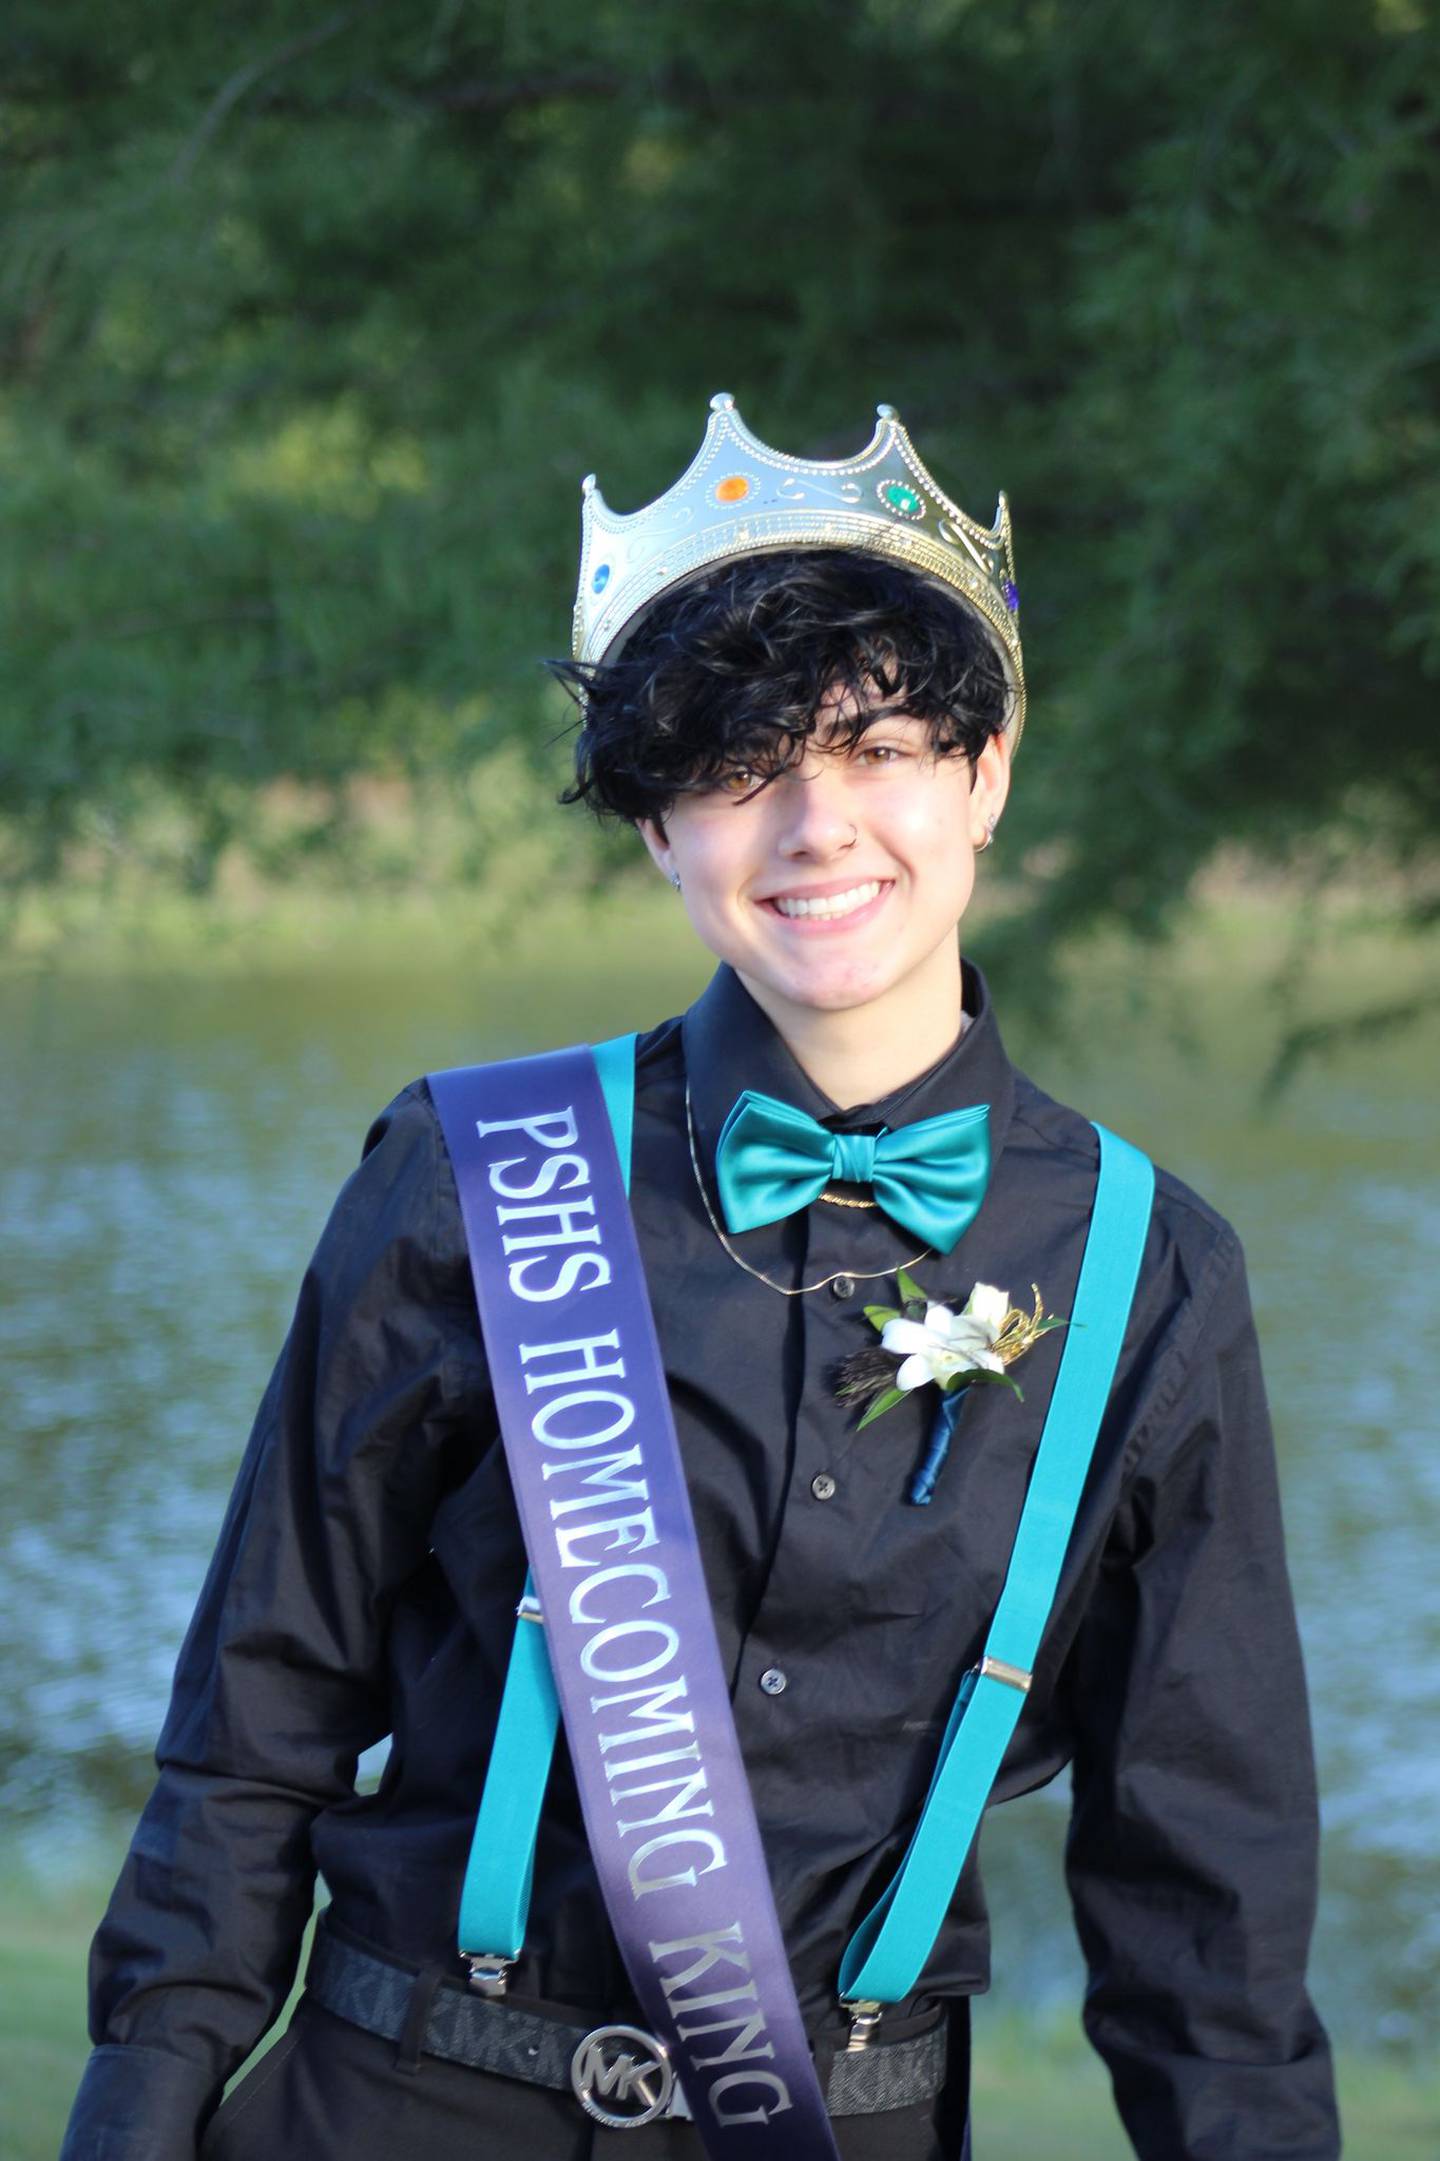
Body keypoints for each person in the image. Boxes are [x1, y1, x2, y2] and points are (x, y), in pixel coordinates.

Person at [60, 394, 1340, 2160]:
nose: (819, 824)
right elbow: (251, 1736)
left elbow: (1208, 1896)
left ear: (986, 778)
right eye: (743, 763)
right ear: (660, 827)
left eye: (883, 744)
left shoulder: (1151, 1270)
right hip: (401, 2105)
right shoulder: (464, 1175)